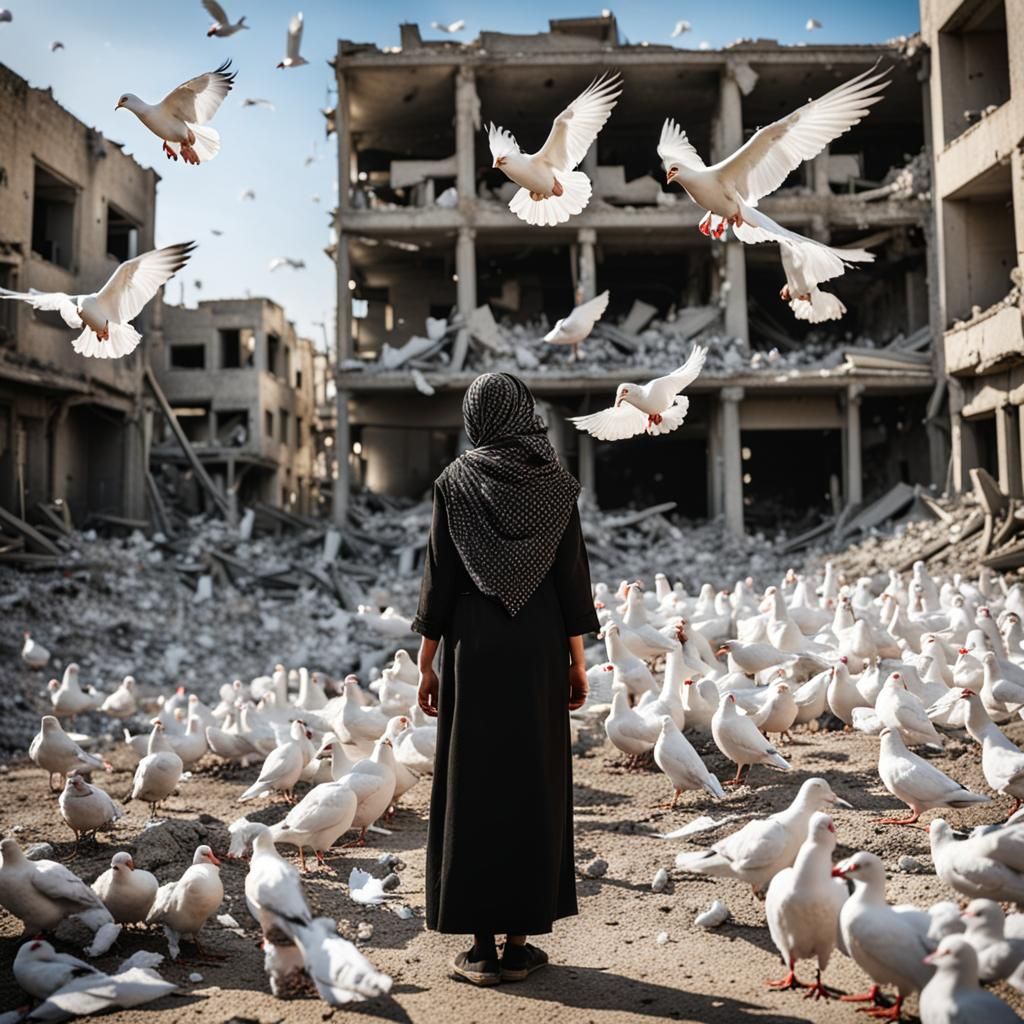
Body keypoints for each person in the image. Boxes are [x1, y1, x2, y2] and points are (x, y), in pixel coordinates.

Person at [412, 371, 600, 987]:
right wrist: (575, 660)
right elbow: (572, 582)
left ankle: (481, 950)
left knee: (475, 784)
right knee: (532, 782)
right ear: (525, 413)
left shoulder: (456, 482)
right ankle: (521, 945)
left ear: (477, 419)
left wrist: (426, 660)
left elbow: (439, 578)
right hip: (540, 648)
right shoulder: (557, 485)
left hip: (474, 651)